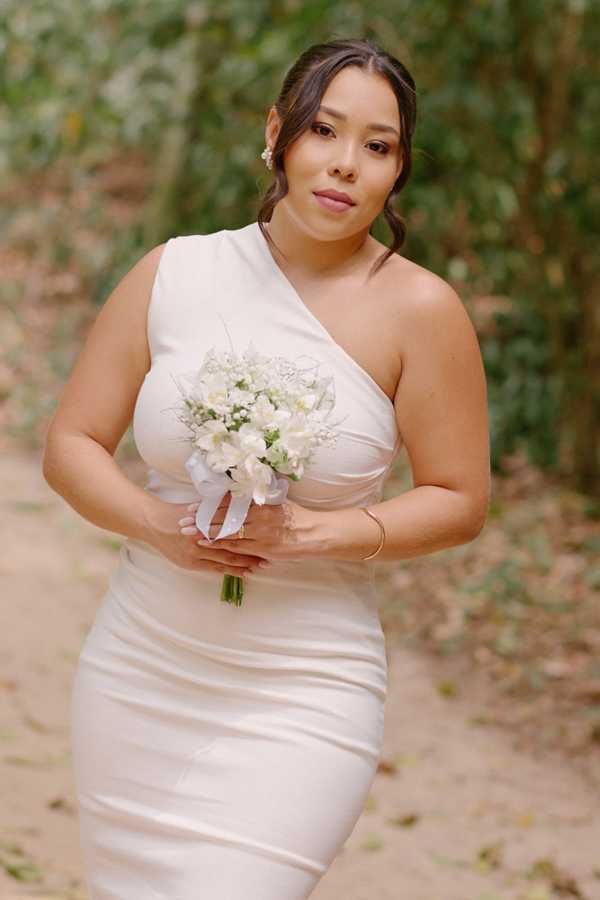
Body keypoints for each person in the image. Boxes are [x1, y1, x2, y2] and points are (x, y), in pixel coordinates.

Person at [43, 38, 489, 900]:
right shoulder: (174, 272)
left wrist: (319, 532)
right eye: (324, 129)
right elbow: (71, 445)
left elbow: (460, 500)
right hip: (140, 665)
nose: (345, 165)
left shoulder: (423, 310)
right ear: (278, 132)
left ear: (398, 170)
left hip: (303, 689)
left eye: (379, 145)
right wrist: (158, 525)